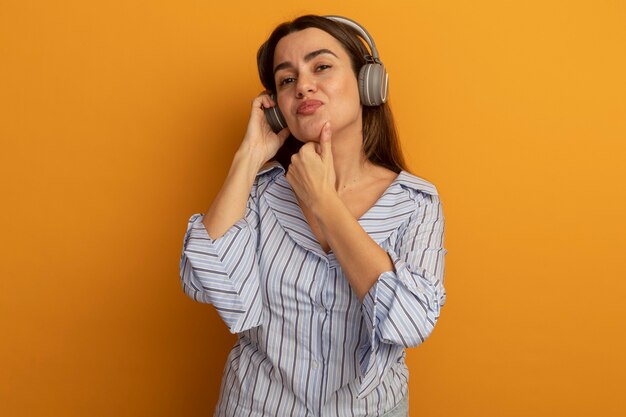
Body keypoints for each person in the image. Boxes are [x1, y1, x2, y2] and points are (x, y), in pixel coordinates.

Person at [179, 15, 446, 417]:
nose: (303, 85)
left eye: (321, 67)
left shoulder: (416, 203)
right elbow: (202, 281)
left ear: (368, 83)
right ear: (277, 108)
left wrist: (324, 202)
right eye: (287, 80)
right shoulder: (260, 192)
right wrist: (250, 156)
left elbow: (409, 321)